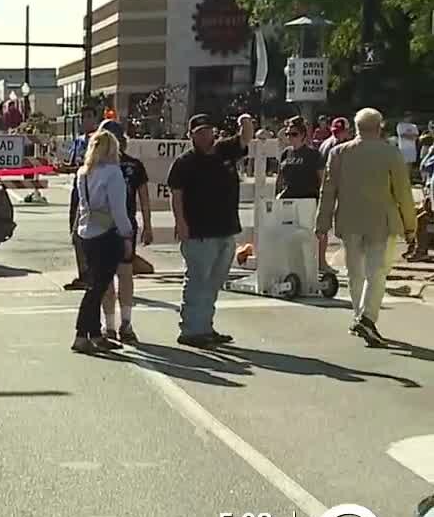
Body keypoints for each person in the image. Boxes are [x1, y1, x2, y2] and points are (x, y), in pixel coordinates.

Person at [315, 107, 417, 346]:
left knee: (355, 273)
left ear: (356, 127)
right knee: (377, 272)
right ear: (379, 126)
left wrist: (322, 222)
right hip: (382, 221)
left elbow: (328, 191)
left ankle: (358, 316)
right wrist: (411, 225)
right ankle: (367, 318)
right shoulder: (391, 153)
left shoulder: (339, 152)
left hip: (349, 220)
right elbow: (403, 192)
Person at [168, 112, 255, 348]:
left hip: (225, 229)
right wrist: (181, 223)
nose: (206, 136)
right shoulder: (184, 163)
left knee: (214, 282)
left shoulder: (223, 151)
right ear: (191, 136)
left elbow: (246, 137)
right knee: (197, 281)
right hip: (198, 232)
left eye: (208, 131)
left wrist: (244, 120)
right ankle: (191, 331)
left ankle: (205, 327)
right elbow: (176, 195)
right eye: (200, 133)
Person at [71, 130, 134, 355]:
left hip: (87, 231)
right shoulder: (113, 173)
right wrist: (127, 234)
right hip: (107, 233)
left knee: (95, 285)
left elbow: (82, 205)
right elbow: (118, 209)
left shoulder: (84, 173)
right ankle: (81, 334)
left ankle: (95, 334)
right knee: (97, 288)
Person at [97, 121, 153, 344]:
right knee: (106, 278)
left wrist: (147, 225)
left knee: (125, 275)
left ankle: (126, 323)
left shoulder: (133, 166)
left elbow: (144, 197)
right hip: (101, 228)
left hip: (125, 227)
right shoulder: (96, 166)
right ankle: (109, 325)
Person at [274, 116, 330, 271]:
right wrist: (276, 196)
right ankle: (294, 263)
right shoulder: (286, 153)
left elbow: (322, 178)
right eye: (288, 134)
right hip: (288, 198)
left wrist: (323, 199)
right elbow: (280, 177)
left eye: (294, 134)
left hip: (308, 198)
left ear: (303, 135)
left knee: (314, 232)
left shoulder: (313, 155)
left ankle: (321, 263)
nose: (290, 137)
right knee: (290, 233)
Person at [65, 107, 100, 291]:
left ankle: (92, 274)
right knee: (75, 234)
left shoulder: (100, 141)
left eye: (89, 116)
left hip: (93, 193)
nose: (85, 120)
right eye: (82, 117)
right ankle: (84, 273)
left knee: (88, 234)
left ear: (95, 118)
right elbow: (72, 164)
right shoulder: (78, 141)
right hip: (78, 192)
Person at [398, 115, 421, 180]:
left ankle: (408, 178)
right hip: (403, 148)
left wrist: (409, 136)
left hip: (412, 148)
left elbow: (416, 136)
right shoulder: (400, 125)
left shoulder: (414, 126)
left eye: (410, 117)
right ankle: (402, 178)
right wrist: (411, 136)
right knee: (403, 164)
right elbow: (402, 135)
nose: (409, 118)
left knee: (410, 164)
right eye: (407, 116)